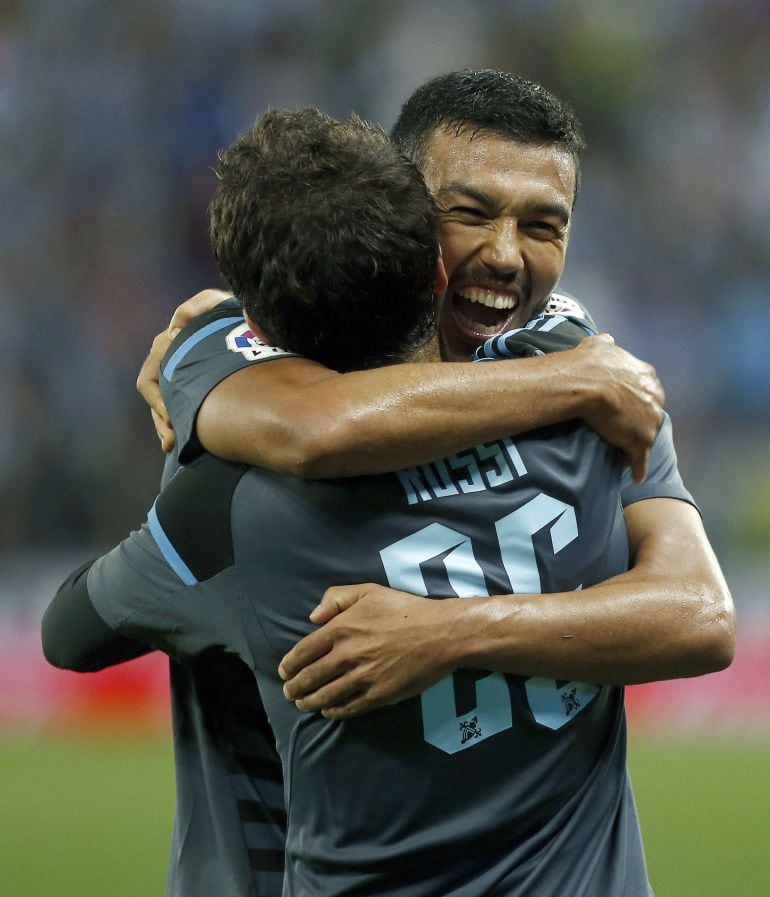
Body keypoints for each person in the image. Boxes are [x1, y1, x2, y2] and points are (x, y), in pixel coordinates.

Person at [44, 70, 734, 895]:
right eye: (471, 213)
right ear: (404, 216)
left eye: (544, 224)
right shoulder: (590, 380)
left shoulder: (234, 456)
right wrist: (579, 382)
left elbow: (702, 615)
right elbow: (317, 424)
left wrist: (452, 631)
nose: (507, 254)